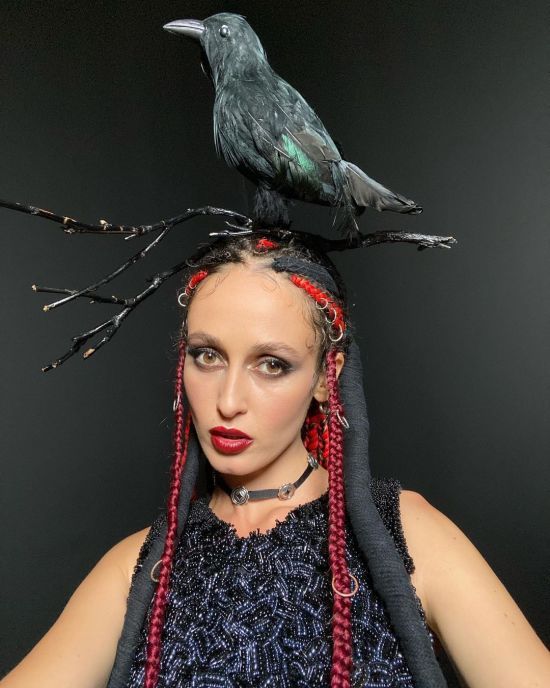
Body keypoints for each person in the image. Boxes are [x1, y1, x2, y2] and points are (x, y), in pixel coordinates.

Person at [1, 231, 549, 688]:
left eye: (271, 364)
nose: (228, 400)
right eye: (207, 355)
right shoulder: (139, 567)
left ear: (326, 378)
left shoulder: (408, 535)